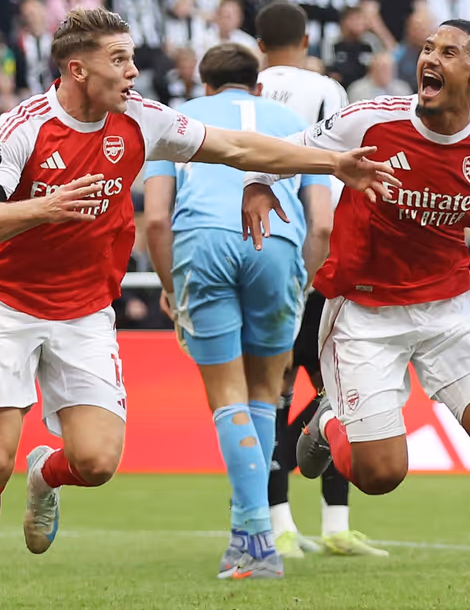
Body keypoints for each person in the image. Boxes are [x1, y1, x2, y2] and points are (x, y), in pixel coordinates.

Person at [0, 8, 396, 609]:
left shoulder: (143, 120)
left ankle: (45, 474)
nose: (134, 71)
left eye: (132, 57)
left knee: (97, 462)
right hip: (8, 305)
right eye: (119, 60)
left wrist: (333, 163)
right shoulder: (24, 127)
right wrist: (43, 209)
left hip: (83, 313)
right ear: (77, 69)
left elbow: (236, 146)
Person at [241, 19, 470, 610]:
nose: (430, 58)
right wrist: (259, 182)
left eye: (449, 52)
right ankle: (327, 426)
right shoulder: (373, 118)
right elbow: (302, 145)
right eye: (428, 49)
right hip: (365, 313)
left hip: (450, 310)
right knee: (381, 475)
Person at [142, 43, 333, 579]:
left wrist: (168, 284)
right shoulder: (293, 120)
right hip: (277, 246)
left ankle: (254, 539)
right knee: (263, 397)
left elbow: (156, 220)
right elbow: (321, 223)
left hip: (202, 243)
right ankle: (251, 536)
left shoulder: (177, 122)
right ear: (257, 86)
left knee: (226, 396)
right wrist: (304, 281)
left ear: (205, 86)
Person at [251, 0, 385, 558]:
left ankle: (278, 523)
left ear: (259, 46)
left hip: (257, 254)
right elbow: (340, 179)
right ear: (306, 41)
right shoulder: (327, 89)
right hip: (319, 262)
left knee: (272, 395)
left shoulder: (244, 92)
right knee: (335, 394)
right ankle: (334, 524)